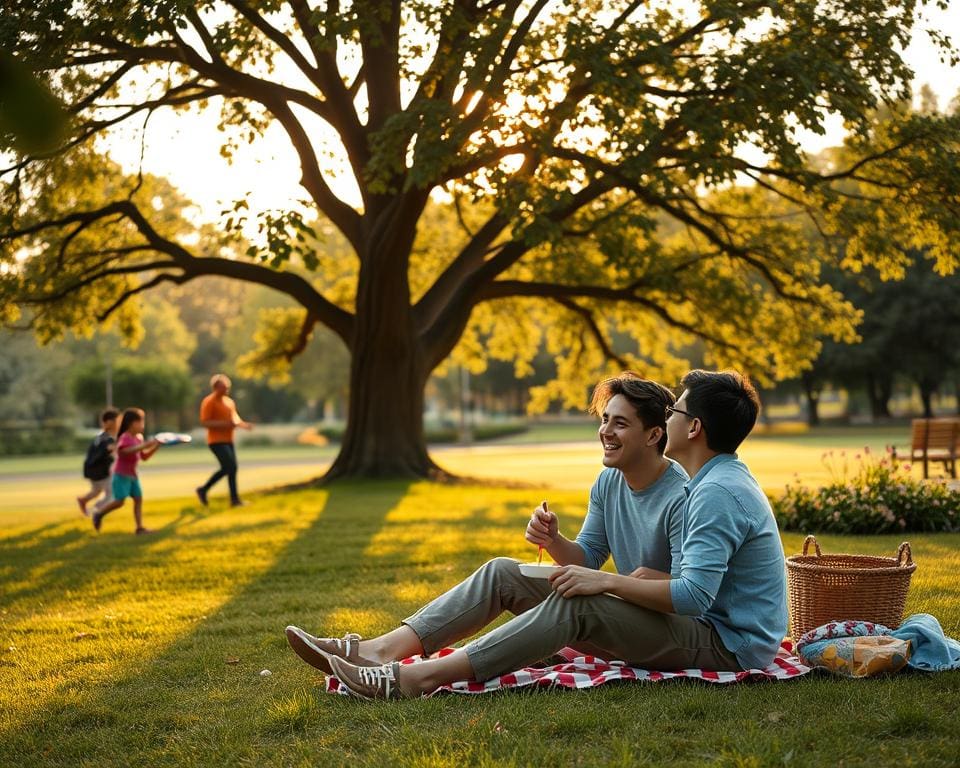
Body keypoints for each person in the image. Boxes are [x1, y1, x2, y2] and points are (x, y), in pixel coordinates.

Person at [286, 373, 708, 699]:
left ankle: (418, 678)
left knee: (571, 601)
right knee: (502, 571)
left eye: (621, 424)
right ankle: (379, 651)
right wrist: (555, 540)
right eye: (604, 420)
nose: (606, 432)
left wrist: (618, 584)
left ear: (654, 435)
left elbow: (686, 595)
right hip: (614, 609)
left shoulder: (683, 495)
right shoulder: (608, 483)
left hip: (667, 632)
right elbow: (589, 558)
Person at [92, 407, 161, 534]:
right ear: (131, 423)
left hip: (133, 475)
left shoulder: (138, 438)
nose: (142, 425)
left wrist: (157, 446)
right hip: (121, 475)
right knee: (119, 502)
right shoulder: (125, 437)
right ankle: (99, 513)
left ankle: (139, 528)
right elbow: (123, 452)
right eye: (140, 422)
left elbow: (144, 457)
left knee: (138, 499)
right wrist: (144, 445)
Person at [195, 374, 252, 508]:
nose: (226, 390)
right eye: (223, 388)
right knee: (229, 467)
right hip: (215, 441)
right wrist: (225, 424)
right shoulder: (209, 402)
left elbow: (235, 419)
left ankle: (234, 499)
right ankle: (204, 489)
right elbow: (205, 422)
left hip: (228, 439)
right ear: (215, 388)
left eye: (227, 388)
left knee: (232, 468)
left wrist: (244, 425)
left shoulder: (229, 402)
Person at [77, 407, 120, 517]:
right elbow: (112, 449)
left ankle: (83, 500)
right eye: (118, 421)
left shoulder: (100, 437)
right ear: (110, 422)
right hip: (100, 471)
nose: (120, 424)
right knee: (112, 494)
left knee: (96, 491)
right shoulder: (108, 439)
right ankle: (96, 512)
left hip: (91, 470)